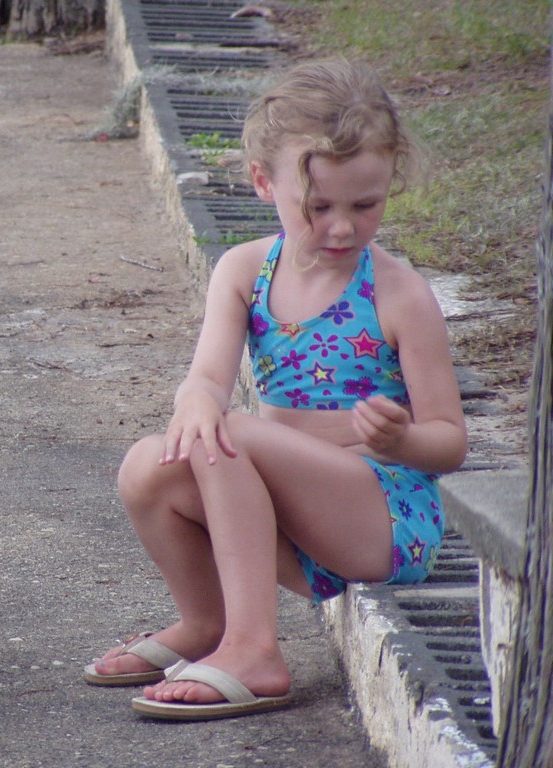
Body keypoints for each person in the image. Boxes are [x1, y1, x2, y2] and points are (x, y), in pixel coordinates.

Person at [83, 59, 467, 720]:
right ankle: (206, 623)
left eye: (365, 205)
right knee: (147, 466)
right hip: (290, 525)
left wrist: (402, 439)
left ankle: (255, 649)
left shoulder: (398, 294)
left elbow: (450, 442)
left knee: (228, 433)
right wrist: (196, 396)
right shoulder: (245, 271)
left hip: (380, 520)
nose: (342, 227)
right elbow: (208, 378)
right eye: (318, 207)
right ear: (264, 182)